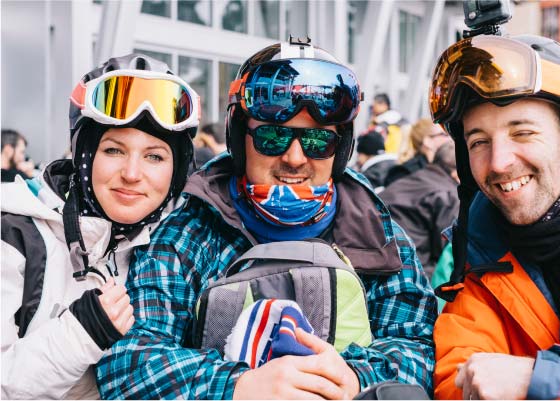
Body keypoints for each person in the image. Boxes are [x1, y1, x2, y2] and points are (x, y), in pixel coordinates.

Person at [96, 39, 436, 400]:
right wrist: (239, 386)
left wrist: (352, 375)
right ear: (240, 139)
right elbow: (128, 363)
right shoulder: (191, 229)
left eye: (319, 141)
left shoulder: (376, 232)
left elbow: (420, 347)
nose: (295, 157)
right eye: (272, 137)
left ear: (341, 150)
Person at [1, 53, 198, 399]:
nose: (133, 174)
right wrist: (82, 331)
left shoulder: (176, 248)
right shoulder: (15, 234)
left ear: (177, 171)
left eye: (154, 156)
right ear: (84, 155)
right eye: (114, 150)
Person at [429, 34, 560, 399]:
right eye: (478, 142)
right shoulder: (480, 259)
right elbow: (455, 379)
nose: (499, 162)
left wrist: (543, 381)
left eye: (523, 132)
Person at [379, 141, 459, 278]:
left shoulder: (413, 178)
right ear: (456, 173)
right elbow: (447, 250)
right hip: (409, 271)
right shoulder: (449, 194)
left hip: (373, 259)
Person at [384, 118, 451, 185]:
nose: (450, 138)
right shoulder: (404, 173)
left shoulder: (446, 167)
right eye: (444, 134)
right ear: (428, 141)